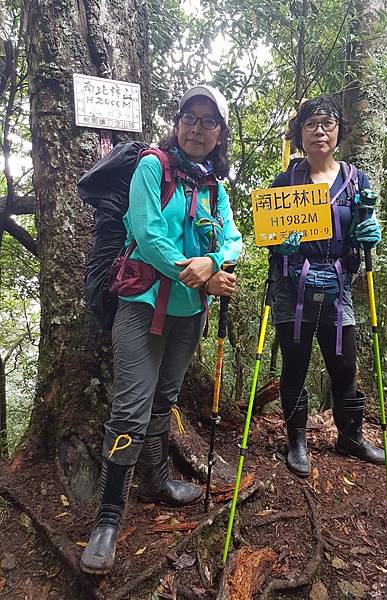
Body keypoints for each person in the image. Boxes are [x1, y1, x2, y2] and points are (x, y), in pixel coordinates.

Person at [81, 85, 242, 574]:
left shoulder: (216, 185)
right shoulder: (152, 166)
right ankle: (109, 517)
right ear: (177, 122)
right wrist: (195, 271)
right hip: (142, 303)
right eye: (189, 118)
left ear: (220, 133)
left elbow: (233, 236)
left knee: (164, 398)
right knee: (130, 405)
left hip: (189, 310)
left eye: (208, 122)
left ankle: (156, 479)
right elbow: (148, 235)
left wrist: (213, 261)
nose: (197, 128)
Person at [269, 95, 384, 478]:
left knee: (344, 362)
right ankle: (297, 440)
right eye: (311, 124)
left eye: (328, 123)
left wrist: (367, 233)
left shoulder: (356, 179)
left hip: (339, 283)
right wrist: (278, 243)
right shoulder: (286, 181)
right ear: (299, 133)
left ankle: (350, 435)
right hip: (293, 285)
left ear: (339, 131)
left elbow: (361, 226)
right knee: (296, 363)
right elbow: (269, 233)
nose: (320, 131)